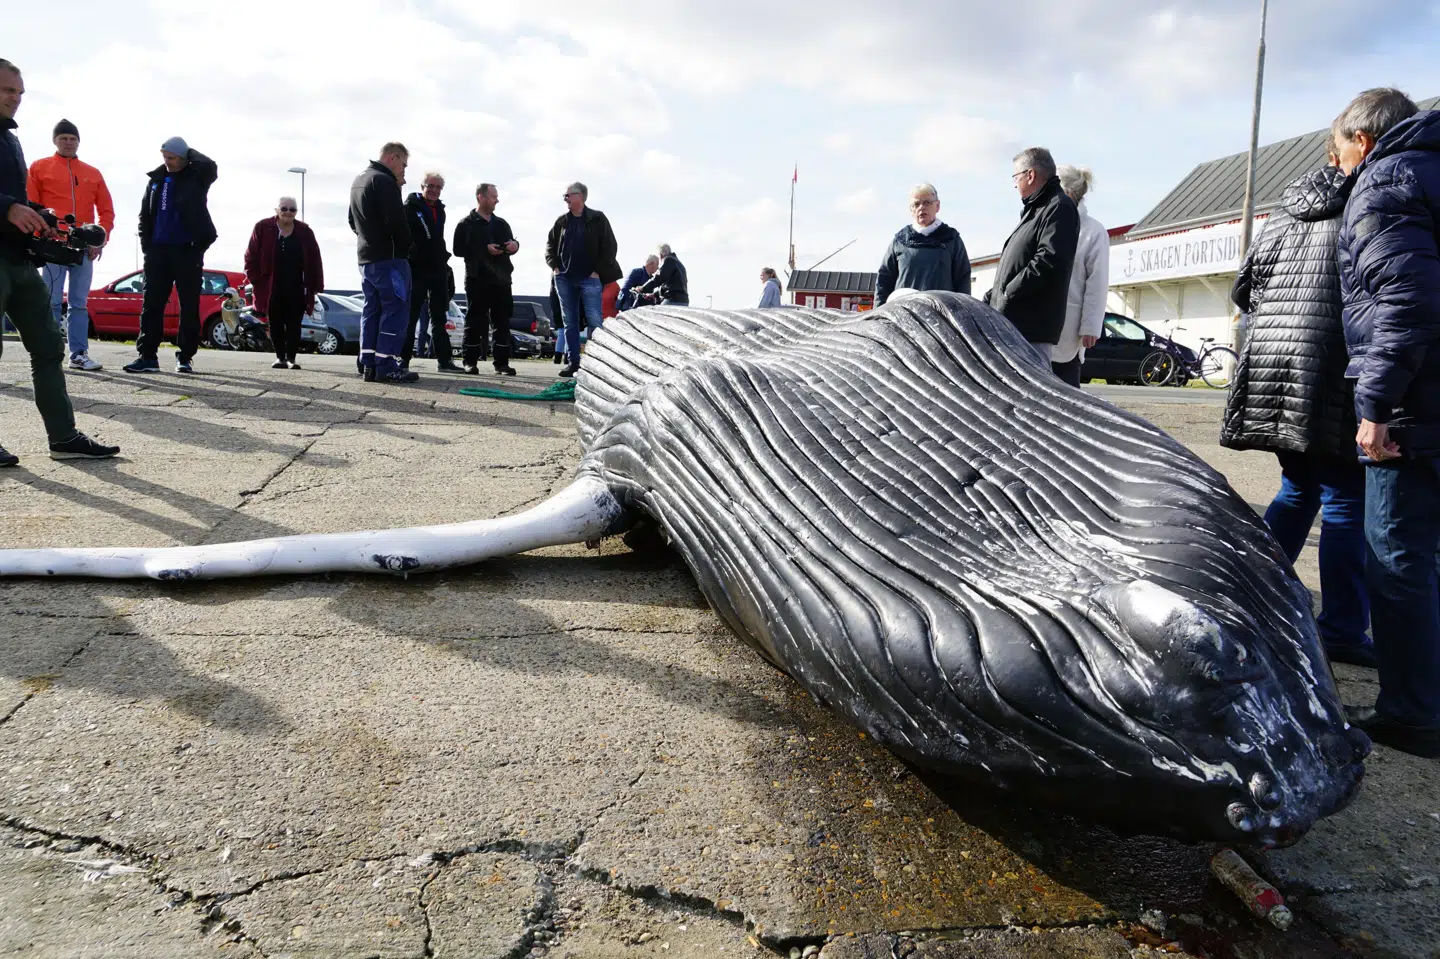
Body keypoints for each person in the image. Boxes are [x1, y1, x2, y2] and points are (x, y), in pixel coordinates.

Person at [1222, 151, 1372, 670]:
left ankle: (1254, 600)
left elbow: (1244, 287)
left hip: (1275, 364)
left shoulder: (1285, 208)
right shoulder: (1367, 202)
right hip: (1331, 368)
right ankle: (1344, 628)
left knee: (1299, 487)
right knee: (1345, 498)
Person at [1332, 87, 1440, 757]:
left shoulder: (1384, 182)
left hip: (1412, 405)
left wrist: (1375, 405)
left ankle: (1413, 711)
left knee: (1396, 558)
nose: (1337, 159)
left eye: (1339, 146)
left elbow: (1406, 301)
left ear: (1363, 141)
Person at [0, 59, 118, 466]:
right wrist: (8, 209)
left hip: (18, 259)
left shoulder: (11, 142)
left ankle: (64, 437)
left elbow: (17, 198)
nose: (14, 99)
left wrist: (43, 217)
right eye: (6, 91)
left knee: (49, 345)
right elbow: (7, 201)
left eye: (18, 93)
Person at [123, 136, 218, 375]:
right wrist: (147, 246)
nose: (167, 161)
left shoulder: (197, 176)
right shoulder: (156, 180)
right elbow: (144, 215)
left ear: (184, 158)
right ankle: (147, 356)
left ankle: (185, 356)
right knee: (152, 305)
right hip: (158, 252)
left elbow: (211, 166)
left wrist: (186, 151)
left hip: (187, 250)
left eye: (172, 157)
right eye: (164, 156)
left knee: (189, 305)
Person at [26, 118, 113, 372]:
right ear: (55, 141)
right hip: (53, 243)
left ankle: (79, 354)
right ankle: (50, 350)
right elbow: (32, 203)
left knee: (79, 302)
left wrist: (101, 239)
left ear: (78, 142)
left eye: (72, 139)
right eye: (63, 138)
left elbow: (107, 210)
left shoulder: (92, 172)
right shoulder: (39, 167)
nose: (68, 142)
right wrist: (41, 231)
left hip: (84, 245)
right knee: (51, 300)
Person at [984, 147, 1080, 361]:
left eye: (1016, 177)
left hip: (1031, 329)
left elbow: (1048, 260)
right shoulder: (1037, 209)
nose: (1015, 184)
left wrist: (1009, 292)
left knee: (1028, 392)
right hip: (1015, 325)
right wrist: (994, 296)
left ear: (1030, 175)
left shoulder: (1058, 207)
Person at [348, 142, 418, 383]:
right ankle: (386, 363)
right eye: (404, 164)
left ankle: (367, 362)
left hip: (366, 258)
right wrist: (407, 246)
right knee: (395, 309)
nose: (404, 171)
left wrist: (368, 238)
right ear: (392, 157)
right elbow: (397, 223)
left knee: (372, 309)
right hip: (389, 258)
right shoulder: (385, 181)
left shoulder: (359, 180)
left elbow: (351, 220)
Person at [544, 181, 622, 378]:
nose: (566, 199)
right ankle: (573, 363)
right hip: (564, 279)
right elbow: (550, 246)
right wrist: (555, 266)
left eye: (568, 195)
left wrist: (598, 271)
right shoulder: (561, 222)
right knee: (569, 322)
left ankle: (595, 364)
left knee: (595, 320)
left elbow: (610, 247)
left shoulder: (598, 219)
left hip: (590, 279)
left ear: (580, 196)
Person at [244, 195, 324, 370]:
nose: (288, 212)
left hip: (297, 286)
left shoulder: (305, 232)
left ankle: (291, 358)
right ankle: (280, 357)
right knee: (276, 323)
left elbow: (315, 259)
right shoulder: (263, 227)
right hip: (271, 286)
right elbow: (250, 256)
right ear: (277, 210)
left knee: (294, 323)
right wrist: (255, 280)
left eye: (292, 209)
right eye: (284, 208)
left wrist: (316, 284)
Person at [452, 182, 518, 376]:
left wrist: (515, 245)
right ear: (480, 197)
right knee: (475, 321)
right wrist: (483, 249)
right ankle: (470, 362)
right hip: (477, 279)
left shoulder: (501, 223)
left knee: (502, 322)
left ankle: (502, 363)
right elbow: (458, 250)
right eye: (493, 196)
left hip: (502, 279)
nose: (497, 200)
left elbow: (511, 243)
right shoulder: (466, 224)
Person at [1052, 166, 1108, 386]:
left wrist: (1090, 327)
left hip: (1069, 327)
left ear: (1066, 193)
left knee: (1065, 392)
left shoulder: (1093, 232)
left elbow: (1097, 281)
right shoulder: (1045, 222)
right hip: (1039, 326)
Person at [875, 184, 971, 306]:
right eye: (916, 204)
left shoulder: (951, 239)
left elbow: (963, 280)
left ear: (937, 206)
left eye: (927, 203)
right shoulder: (899, 241)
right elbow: (883, 281)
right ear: (911, 210)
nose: (921, 207)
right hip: (904, 314)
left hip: (942, 314)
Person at [402, 172, 457, 372]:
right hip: (416, 268)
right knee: (411, 315)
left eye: (438, 187)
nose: (434, 190)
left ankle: (444, 360)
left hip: (437, 268)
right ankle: (403, 359)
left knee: (439, 316)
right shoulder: (409, 208)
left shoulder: (440, 210)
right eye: (430, 186)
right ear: (423, 186)